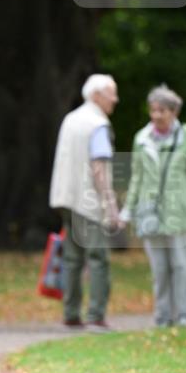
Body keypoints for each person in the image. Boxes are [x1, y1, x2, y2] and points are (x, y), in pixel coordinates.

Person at [120, 83, 186, 327]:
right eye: (153, 110)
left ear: (174, 112)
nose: (156, 116)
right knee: (159, 269)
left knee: (180, 264)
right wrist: (128, 209)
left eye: (162, 111)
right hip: (150, 212)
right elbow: (136, 177)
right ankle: (163, 316)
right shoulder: (142, 139)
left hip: (180, 212)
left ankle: (185, 316)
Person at [49, 74, 120, 331]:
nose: (116, 99)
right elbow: (99, 167)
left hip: (64, 197)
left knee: (72, 257)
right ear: (97, 95)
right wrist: (110, 205)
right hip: (87, 200)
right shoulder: (98, 124)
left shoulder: (71, 118)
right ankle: (96, 315)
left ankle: (70, 313)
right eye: (112, 93)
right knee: (98, 257)